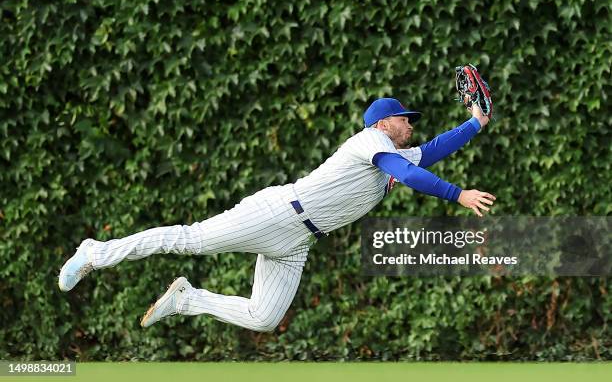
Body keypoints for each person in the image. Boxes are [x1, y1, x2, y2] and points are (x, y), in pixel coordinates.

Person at [58, 98, 496, 332]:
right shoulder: (370, 142)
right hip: (277, 212)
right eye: (406, 119)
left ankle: (187, 300)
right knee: (188, 239)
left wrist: (475, 122)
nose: (411, 125)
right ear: (383, 124)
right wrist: (458, 195)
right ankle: (97, 251)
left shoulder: (396, 148)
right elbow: (406, 171)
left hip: (298, 242)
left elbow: (434, 149)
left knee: (264, 318)